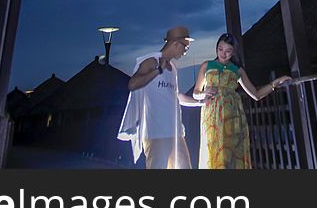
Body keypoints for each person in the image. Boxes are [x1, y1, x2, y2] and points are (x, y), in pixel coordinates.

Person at [193, 33, 291, 169]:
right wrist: (204, 93)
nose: (223, 53)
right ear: (216, 48)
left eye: (228, 51)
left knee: (232, 154)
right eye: (220, 49)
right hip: (212, 117)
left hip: (233, 117)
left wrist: (274, 83)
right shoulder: (207, 65)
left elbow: (256, 94)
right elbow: (195, 94)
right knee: (214, 151)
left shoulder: (237, 70)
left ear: (233, 52)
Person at [117, 25, 201, 169]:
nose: (185, 52)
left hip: (176, 133)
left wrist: (201, 102)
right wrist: (158, 70)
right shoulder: (151, 61)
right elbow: (133, 84)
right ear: (175, 43)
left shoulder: (173, 68)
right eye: (185, 48)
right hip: (156, 133)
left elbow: (176, 97)